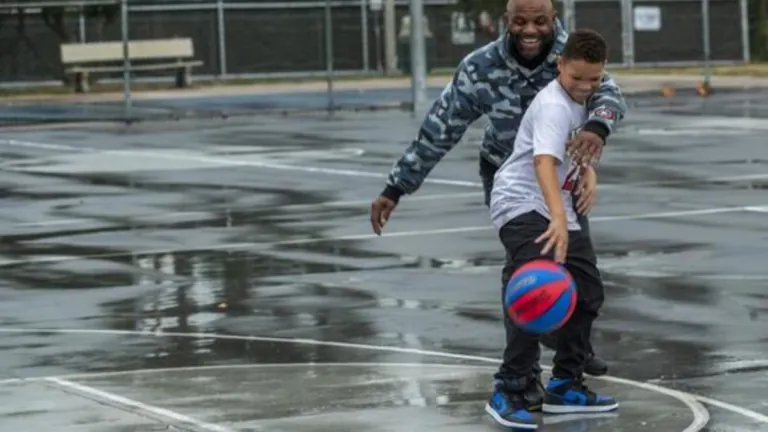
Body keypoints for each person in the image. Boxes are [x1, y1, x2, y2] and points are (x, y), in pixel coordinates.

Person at [370, 0, 626, 413]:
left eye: (540, 21)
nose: (529, 30)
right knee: (532, 272)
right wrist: (396, 187)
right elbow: (440, 128)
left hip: (562, 181)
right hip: (514, 180)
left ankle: (565, 368)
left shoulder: (571, 54)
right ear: (506, 21)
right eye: (520, 21)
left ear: (553, 21)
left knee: (582, 282)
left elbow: (608, 96)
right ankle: (517, 381)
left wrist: (595, 136)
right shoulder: (481, 68)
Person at [486, 28, 619, 429]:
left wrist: (588, 172)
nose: (584, 86)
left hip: (557, 205)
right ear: (560, 65)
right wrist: (558, 219)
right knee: (539, 290)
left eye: (593, 79)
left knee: (588, 292)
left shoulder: (588, 102)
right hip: (521, 203)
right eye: (576, 77)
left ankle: (564, 384)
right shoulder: (553, 106)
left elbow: (574, 150)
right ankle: (509, 388)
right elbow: (544, 162)